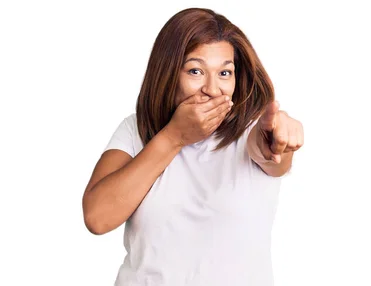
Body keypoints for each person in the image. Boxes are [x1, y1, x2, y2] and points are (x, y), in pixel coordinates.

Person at [81, 7, 303, 286]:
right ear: (168, 74)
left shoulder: (254, 132)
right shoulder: (135, 131)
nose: (212, 89)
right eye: (195, 71)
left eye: (224, 73)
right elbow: (97, 218)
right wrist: (174, 136)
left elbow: (272, 157)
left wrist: (279, 145)